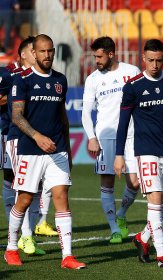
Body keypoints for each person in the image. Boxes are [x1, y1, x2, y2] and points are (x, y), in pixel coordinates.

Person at [4, 34, 85, 269]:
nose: (47, 55)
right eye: (42, 51)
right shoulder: (22, 80)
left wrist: (68, 151)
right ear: (34, 53)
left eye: (50, 51)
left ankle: (67, 256)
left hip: (57, 150)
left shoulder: (60, 80)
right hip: (30, 149)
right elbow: (17, 117)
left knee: (62, 198)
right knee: (25, 199)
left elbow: (63, 118)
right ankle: (11, 248)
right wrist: (38, 137)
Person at [114, 39, 163, 268]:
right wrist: (119, 154)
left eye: (159, 60)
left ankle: (142, 238)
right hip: (146, 152)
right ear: (143, 59)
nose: (154, 65)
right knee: (155, 202)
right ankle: (162, 253)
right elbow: (123, 123)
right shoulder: (133, 86)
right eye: (150, 60)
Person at [82, 36, 141, 244]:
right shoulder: (93, 79)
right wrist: (91, 137)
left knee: (135, 182)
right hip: (105, 136)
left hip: (132, 134)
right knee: (107, 183)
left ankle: (122, 214)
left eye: (99, 56)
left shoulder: (132, 72)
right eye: (94, 56)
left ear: (111, 54)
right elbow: (86, 112)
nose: (96, 60)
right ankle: (114, 228)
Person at [2, 36, 48, 256]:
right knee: (20, 186)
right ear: (23, 54)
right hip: (13, 136)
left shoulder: (41, 77)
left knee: (35, 187)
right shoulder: (10, 74)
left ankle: (26, 234)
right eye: (33, 50)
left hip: (33, 138)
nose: (38, 53)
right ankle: (25, 237)